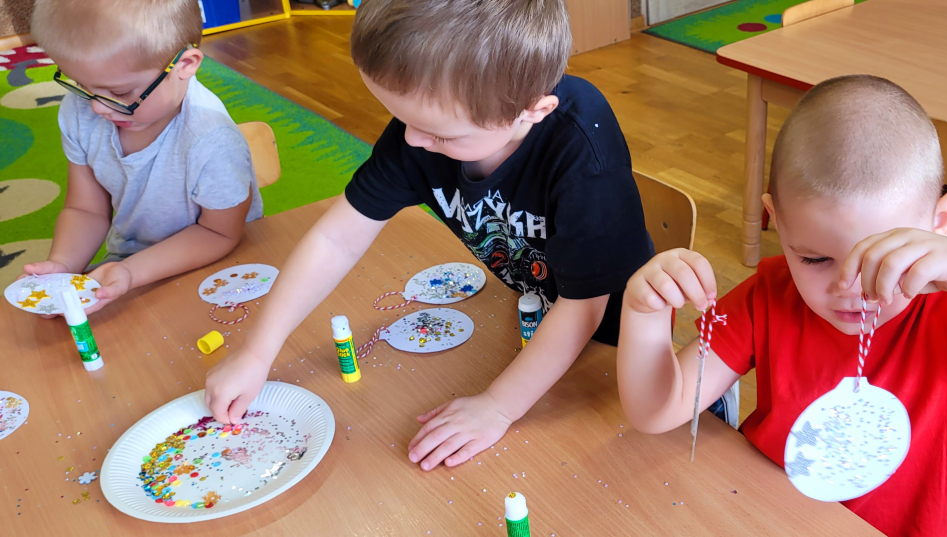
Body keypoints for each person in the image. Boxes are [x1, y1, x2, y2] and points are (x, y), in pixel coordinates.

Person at [616, 75, 947, 537]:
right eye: (815, 259)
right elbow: (657, 410)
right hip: (766, 517)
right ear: (775, 220)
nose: (850, 287)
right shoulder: (770, 293)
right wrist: (643, 316)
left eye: (883, 258)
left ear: (940, 223)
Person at [204, 0, 654, 472]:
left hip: (616, 342)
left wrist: (498, 407)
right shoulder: (434, 120)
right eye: (402, 120)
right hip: (534, 319)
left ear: (533, 110)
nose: (412, 141)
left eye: (440, 135)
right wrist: (256, 352)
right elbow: (336, 239)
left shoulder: (579, 145)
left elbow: (586, 307)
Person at [23, 0, 262, 314]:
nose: (98, 107)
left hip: (220, 267)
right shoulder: (80, 111)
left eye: (121, 93)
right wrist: (63, 268)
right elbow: (85, 209)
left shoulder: (212, 139)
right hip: (128, 268)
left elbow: (219, 233)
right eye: (81, 85)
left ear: (185, 65)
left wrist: (131, 272)